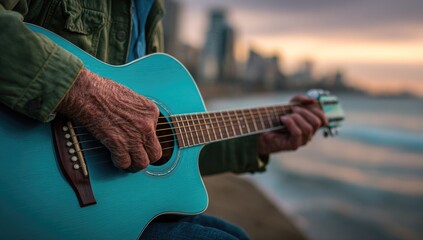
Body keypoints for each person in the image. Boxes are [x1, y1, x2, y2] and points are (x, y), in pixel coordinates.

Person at [0, 0, 327, 239]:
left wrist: (256, 143)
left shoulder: (150, 12)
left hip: (91, 211)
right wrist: (82, 91)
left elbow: (155, 151)